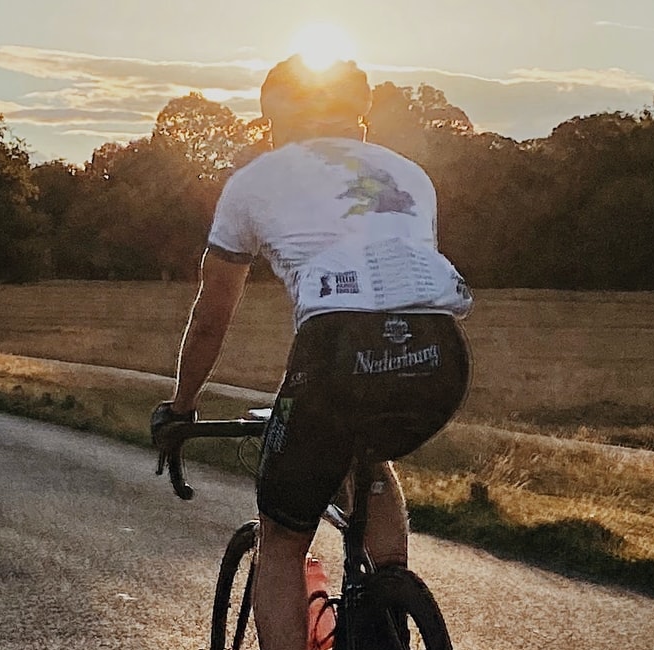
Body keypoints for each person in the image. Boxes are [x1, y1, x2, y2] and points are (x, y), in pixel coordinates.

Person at [151, 55, 472, 650]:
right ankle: (388, 608)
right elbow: (400, 287)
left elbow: (213, 313)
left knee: (282, 538)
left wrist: (182, 405)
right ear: (360, 115)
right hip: (442, 352)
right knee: (368, 454)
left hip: (335, 354)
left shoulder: (253, 181)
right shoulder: (410, 174)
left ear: (274, 116)